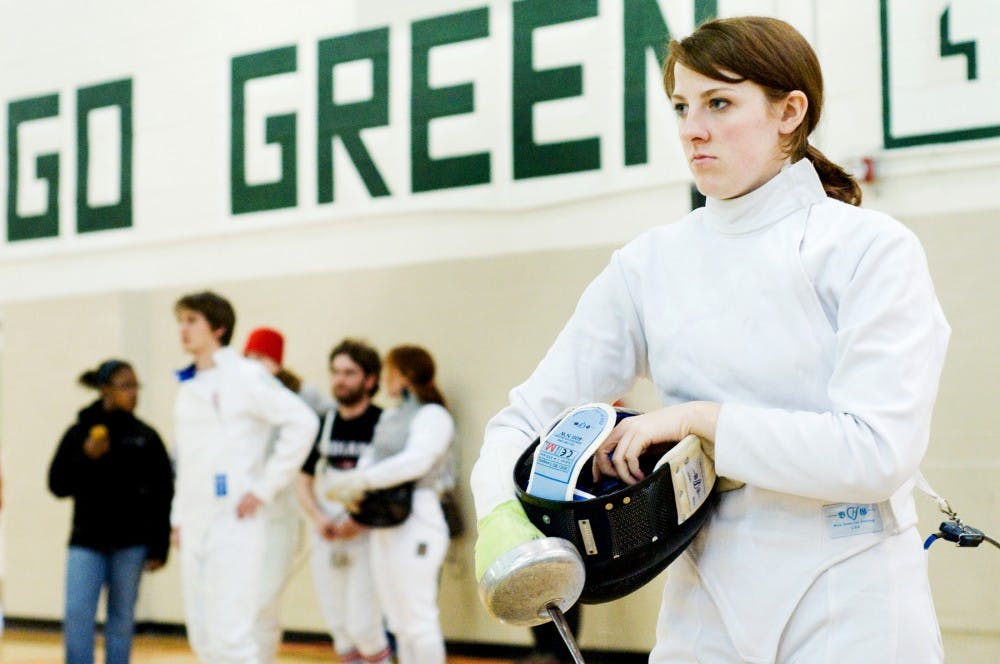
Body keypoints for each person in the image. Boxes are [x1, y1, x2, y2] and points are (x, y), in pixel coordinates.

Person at [471, 16, 950, 664]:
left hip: (850, 582)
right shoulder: (650, 264)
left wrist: (697, 419)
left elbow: (875, 453)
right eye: (681, 107)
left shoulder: (868, 249)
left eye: (719, 103)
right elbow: (529, 416)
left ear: (790, 111)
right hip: (707, 588)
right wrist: (499, 511)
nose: (693, 129)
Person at [171, 292, 318, 664]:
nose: (183, 329)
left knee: (233, 637)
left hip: (235, 522)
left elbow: (303, 422)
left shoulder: (245, 375)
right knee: (203, 637)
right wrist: (177, 519)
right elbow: (187, 461)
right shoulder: (188, 385)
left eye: (192, 321)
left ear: (218, 328)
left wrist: (264, 488)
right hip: (194, 521)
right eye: (181, 321)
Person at [325, 345, 454, 664]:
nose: (385, 378)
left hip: (418, 518)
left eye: (390, 371)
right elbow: (372, 456)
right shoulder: (393, 415)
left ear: (406, 375)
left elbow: (417, 460)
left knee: (418, 619)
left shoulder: (433, 415)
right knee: (398, 622)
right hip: (385, 522)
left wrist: (364, 480)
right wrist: (349, 484)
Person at [48, 359, 173, 664]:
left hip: (131, 545)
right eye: (125, 386)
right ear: (105, 390)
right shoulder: (80, 433)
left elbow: (163, 494)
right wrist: (85, 457)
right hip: (87, 542)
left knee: (122, 619)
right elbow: (57, 485)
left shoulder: (146, 437)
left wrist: (160, 546)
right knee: (78, 615)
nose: (133, 393)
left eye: (135, 386)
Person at [295, 339, 392, 664]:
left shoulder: (385, 424)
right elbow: (303, 480)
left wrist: (360, 520)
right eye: (335, 372)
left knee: (365, 626)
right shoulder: (323, 424)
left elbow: (395, 486)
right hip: (327, 535)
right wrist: (318, 517)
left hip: (368, 535)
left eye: (349, 372)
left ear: (369, 379)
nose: (339, 379)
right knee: (339, 629)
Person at [241, 326, 330, 663]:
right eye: (248, 357)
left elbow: (329, 416)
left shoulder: (300, 397)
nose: (253, 364)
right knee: (249, 603)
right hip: (245, 514)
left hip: (281, 513)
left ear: (276, 362)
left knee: (264, 599)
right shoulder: (238, 392)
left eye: (261, 358)